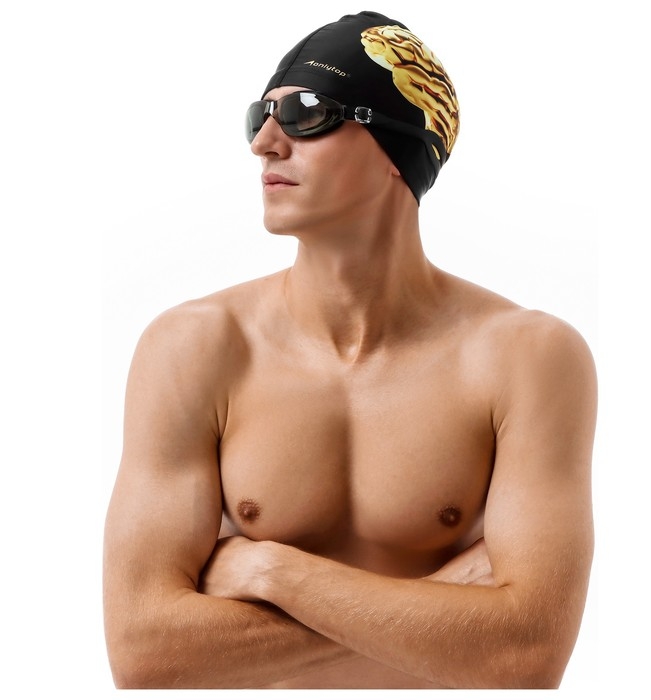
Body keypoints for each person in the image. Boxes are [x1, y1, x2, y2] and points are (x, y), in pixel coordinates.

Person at [102, 10, 597, 689]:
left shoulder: (527, 358)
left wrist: (271, 570)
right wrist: (454, 603)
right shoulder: (196, 347)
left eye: (305, 114)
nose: (265, 144)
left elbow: (527, 657)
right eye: (260, 117)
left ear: (400, 148)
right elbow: (144, 653)